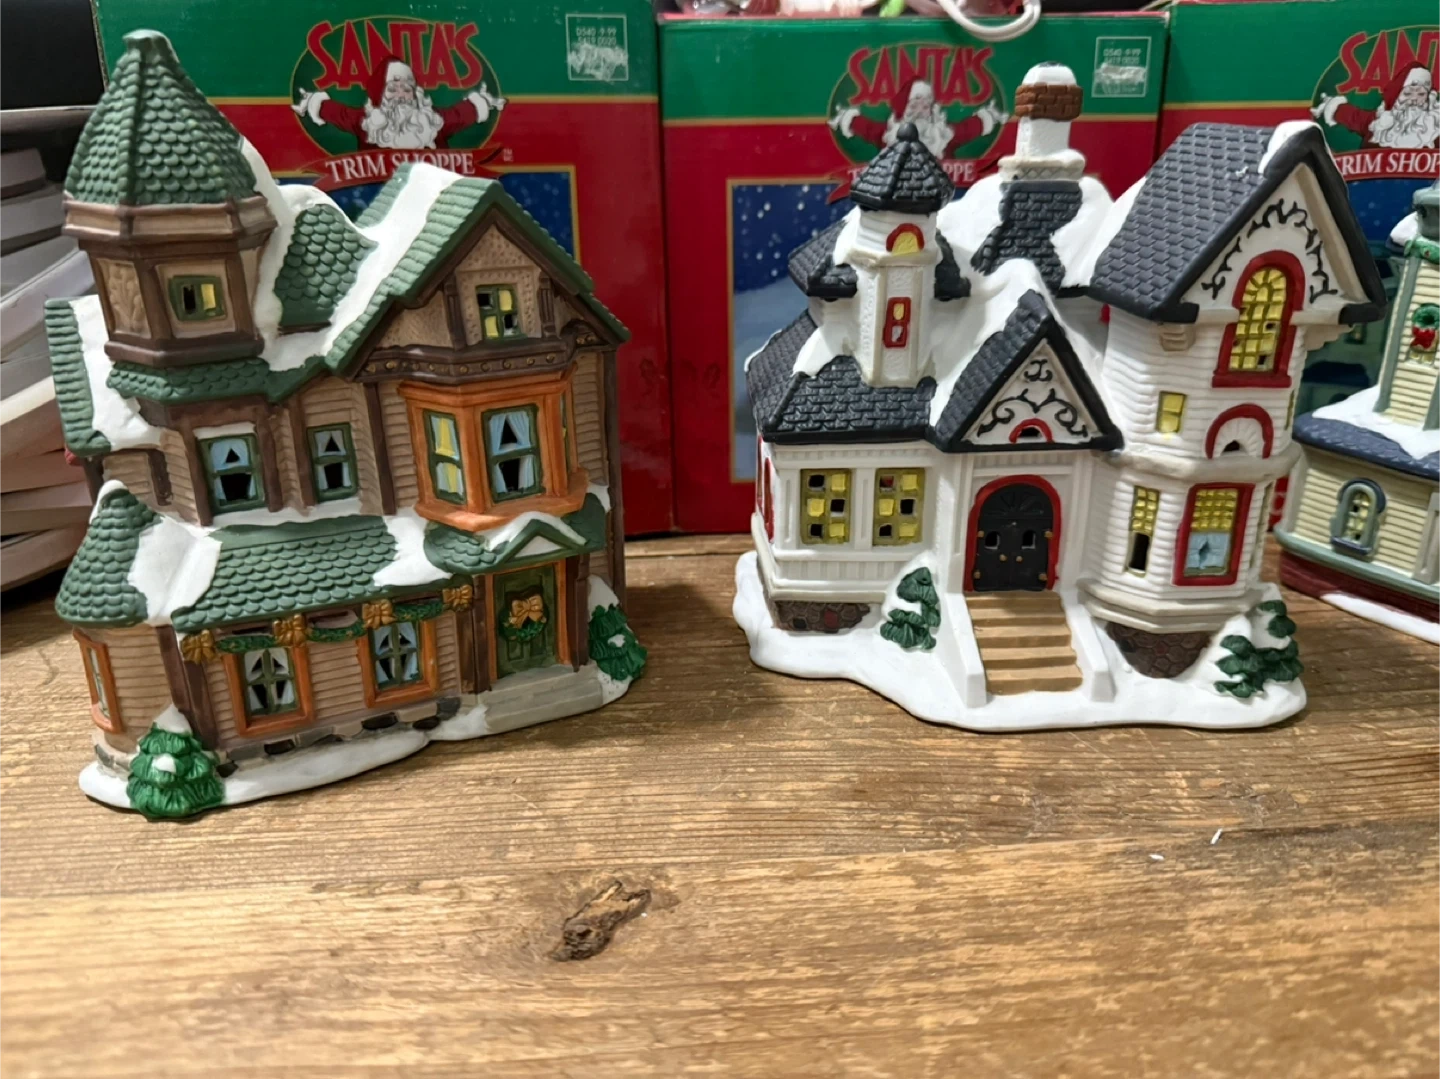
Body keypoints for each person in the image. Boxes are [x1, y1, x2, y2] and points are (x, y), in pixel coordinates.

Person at [294, 55, 506, 151]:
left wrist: (484, 101)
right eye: (393, 89)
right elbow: (336, 112)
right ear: (380, 95)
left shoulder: (433, 122)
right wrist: (311, 101)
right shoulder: (366, 122)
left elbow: (461, 113)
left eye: (407, 89)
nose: (401, 95)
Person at [830, 75, 1006, 159]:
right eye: (914, 105)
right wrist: (847, 118)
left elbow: (969, 128)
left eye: (926, 106)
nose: (920, 111)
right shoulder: (888, 135)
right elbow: (866, 127)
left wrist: (989, 116)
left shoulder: (943, 135)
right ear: (904, 109)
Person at [1313, 63, 1440, 150]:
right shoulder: (1378, 123)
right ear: (1396, 96)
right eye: (1407, 93)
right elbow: (1351, 115)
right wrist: (1329, 104)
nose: (1414, 100)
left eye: (1421, 94)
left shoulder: (1435, 127)